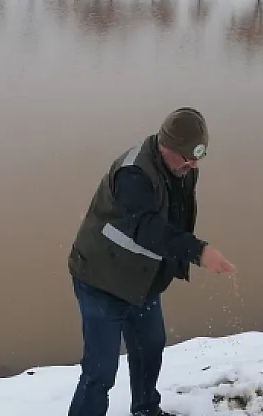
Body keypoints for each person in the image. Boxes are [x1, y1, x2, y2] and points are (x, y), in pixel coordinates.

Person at [66, 107, 237, 416]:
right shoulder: (133, 174)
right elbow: (147, 229)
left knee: (150, 348)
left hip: (141, 281)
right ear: (164, 146)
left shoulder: (182, 167)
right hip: (101, 280)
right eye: (186, 157)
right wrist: (198, 251)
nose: (193, 165)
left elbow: (175, 219)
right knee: (100, 371)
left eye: (197, 157)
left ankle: (146, 410)